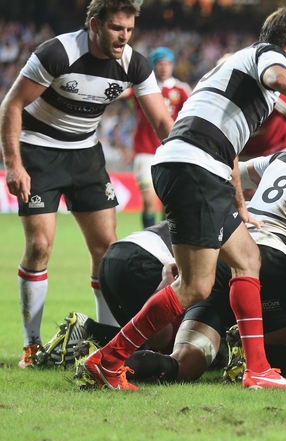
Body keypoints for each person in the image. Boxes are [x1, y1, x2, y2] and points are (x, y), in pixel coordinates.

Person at [77, 6, 286, 391]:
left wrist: (238, 204)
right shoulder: (268, 57)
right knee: (194, 286)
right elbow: (278, 75)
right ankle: (110, 357)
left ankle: (258, 370)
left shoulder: (235, 69)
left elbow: (228, 142)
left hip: (199, 166)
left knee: (247, 259)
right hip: (194, 167)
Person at [0, 0, 175, 369]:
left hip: (86, 155)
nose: (123, 37)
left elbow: (161, 121)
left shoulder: (135, 63)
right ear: (94, 24)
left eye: (129, 30)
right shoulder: (57, 53)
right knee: (40, 246)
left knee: (106, 250)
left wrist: (189, 157)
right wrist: (13, 164)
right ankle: (31, 346)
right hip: (39, 153)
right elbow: (12, 105)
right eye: (116, 28)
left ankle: (104, 340)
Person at [130, 47, 191, 228]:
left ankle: (163, 243)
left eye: (167, 63)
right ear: (153, 66)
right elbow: (122, 93)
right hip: (145, 150)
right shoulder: (143, 86)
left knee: (167, 202)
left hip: (170, 151)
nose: (164, 67)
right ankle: (147, 240)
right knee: (149, 200)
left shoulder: (181, 89)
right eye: (160, 64)